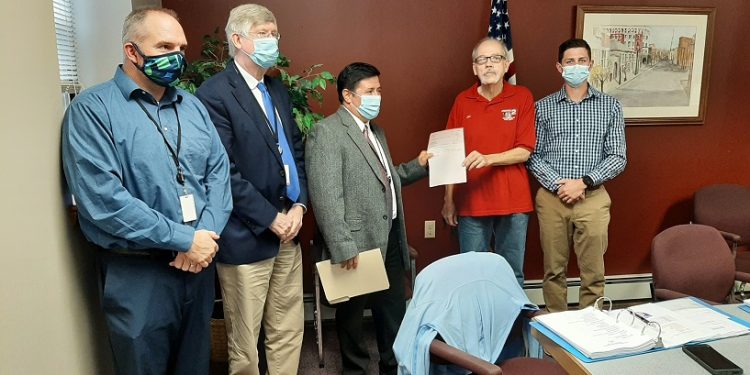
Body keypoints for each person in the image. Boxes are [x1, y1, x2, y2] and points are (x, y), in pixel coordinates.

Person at [61, 8, 232, 375]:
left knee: (196, 366)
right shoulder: (92, 110)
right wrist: (184, 238)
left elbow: (219, 175)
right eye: (165, 45)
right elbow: (104, 201)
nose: (177, 56)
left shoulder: (194, 107)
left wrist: (203, 237)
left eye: (181, 46)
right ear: (132, 51)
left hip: (198, 269)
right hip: (139, 274)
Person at [194, 4, 307, 374]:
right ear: (238, 39)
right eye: (263, 33)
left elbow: (296, 151)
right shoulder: (214, 94)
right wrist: (269, 217)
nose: (272, 40)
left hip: (288, 231)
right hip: (246, 236)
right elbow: (223, 171)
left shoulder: (277, 88)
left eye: (274, 33)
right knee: (245, 345)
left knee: (288, 330)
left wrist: (299, 207)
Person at [305, 62, 430, 375]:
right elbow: (325, 197)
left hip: (388, 241)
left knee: (392, 315)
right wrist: (342, 245)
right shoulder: (327, 133)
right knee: (352, 321)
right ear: (348, 96)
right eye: (370, 91)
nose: (378, 97)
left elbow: (387, 178)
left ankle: (393, 367)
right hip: (355, 246)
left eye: (379, 90)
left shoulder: (376, 132)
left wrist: (419, 164)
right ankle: (355, 371)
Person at [527, 38, 627, 312]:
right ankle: (556, 330)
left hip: (592, 198)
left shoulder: (610, 106)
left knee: (593, 274)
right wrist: (559, 185)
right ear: (559, 67)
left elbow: (618, 156)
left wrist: (583, 182)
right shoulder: (542, 108)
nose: (576, 66)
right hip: (552, 199)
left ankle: (591, 329)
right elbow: (533, 155)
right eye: (570, 62)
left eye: (582, 61)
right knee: (553, 271)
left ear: (591, 64)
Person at [441, 38, 536, 286]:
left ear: (506, 65)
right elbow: (451, 155)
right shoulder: (463, 101)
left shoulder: (522, 96)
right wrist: (449, 200)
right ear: (475, 68)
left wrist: (488, 159)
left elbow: (524, 151)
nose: (489, 65)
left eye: (495, 58)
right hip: (472, 202)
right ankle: (477, 325)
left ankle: (511, 325)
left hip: (513, 202)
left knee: (512, 274)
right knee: (472, 275)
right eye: (482, 60)